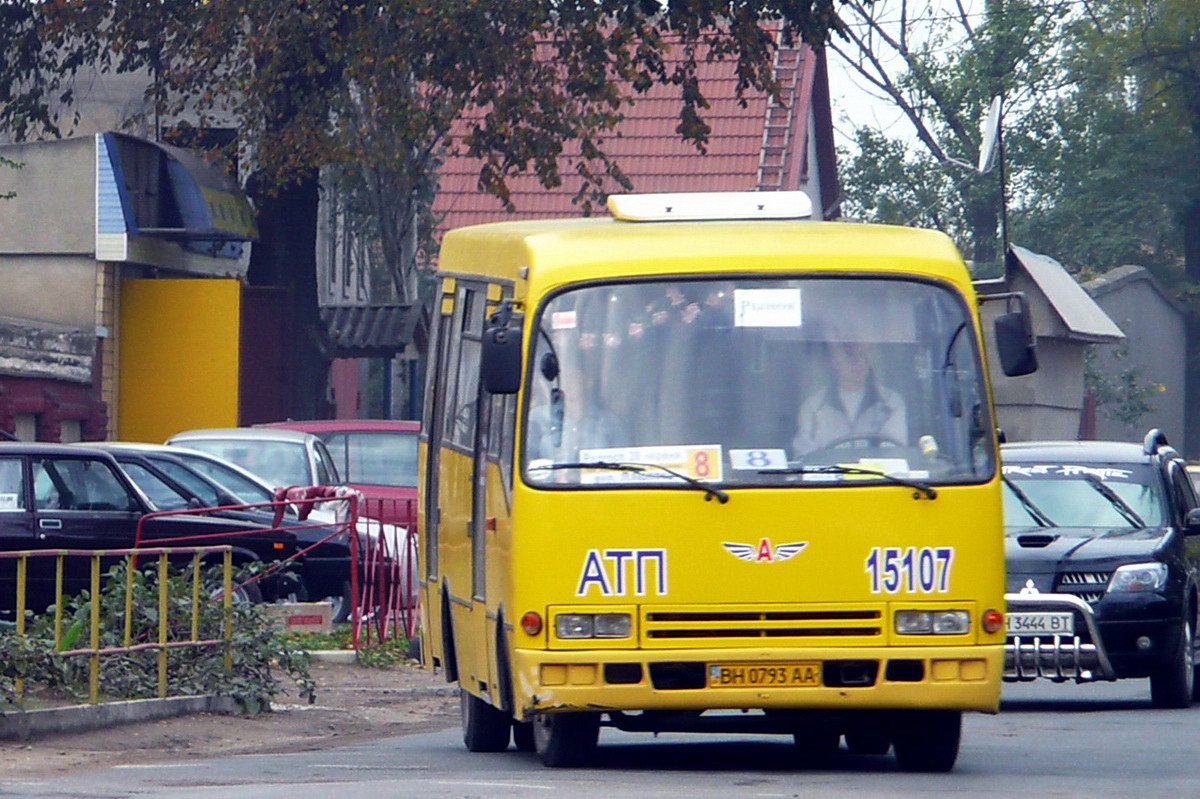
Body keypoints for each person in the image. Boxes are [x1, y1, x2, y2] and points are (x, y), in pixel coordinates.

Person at [793, 339, 908, 457]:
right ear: (834, 360)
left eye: (864, 355)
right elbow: (805, 457)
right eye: (850, 355)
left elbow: (895, 454)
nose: (859, 362)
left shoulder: (891, 403)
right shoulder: (813, 407)